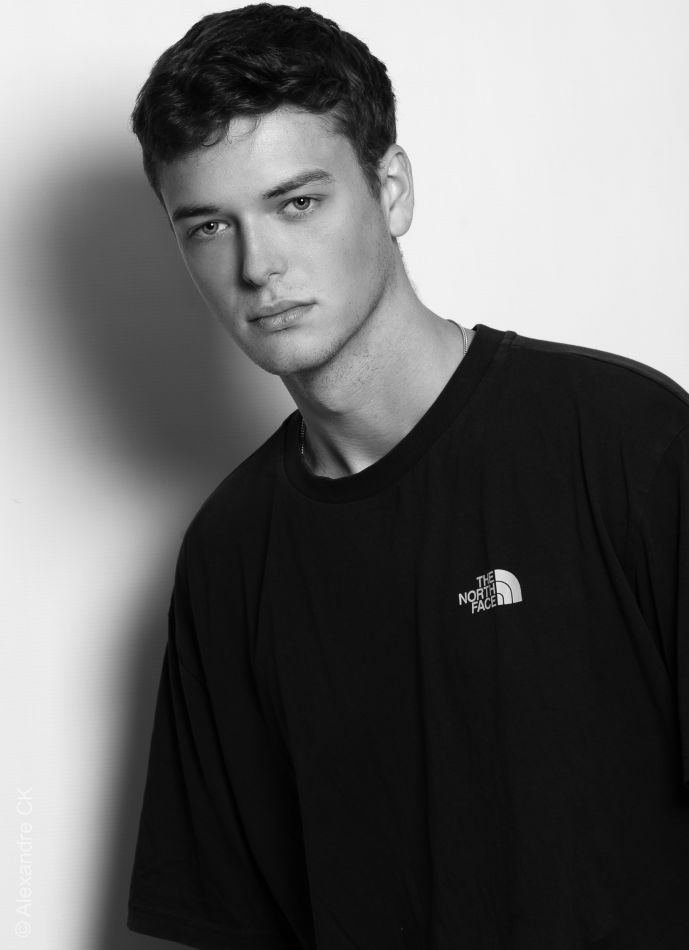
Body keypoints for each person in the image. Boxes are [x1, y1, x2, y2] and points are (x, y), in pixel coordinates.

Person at [126, 5, 689, 948]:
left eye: (296, 203)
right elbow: (217, 920)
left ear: (390, 191)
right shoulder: (229, 555)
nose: (258, 266)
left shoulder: (624, 440)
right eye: (210, 226)